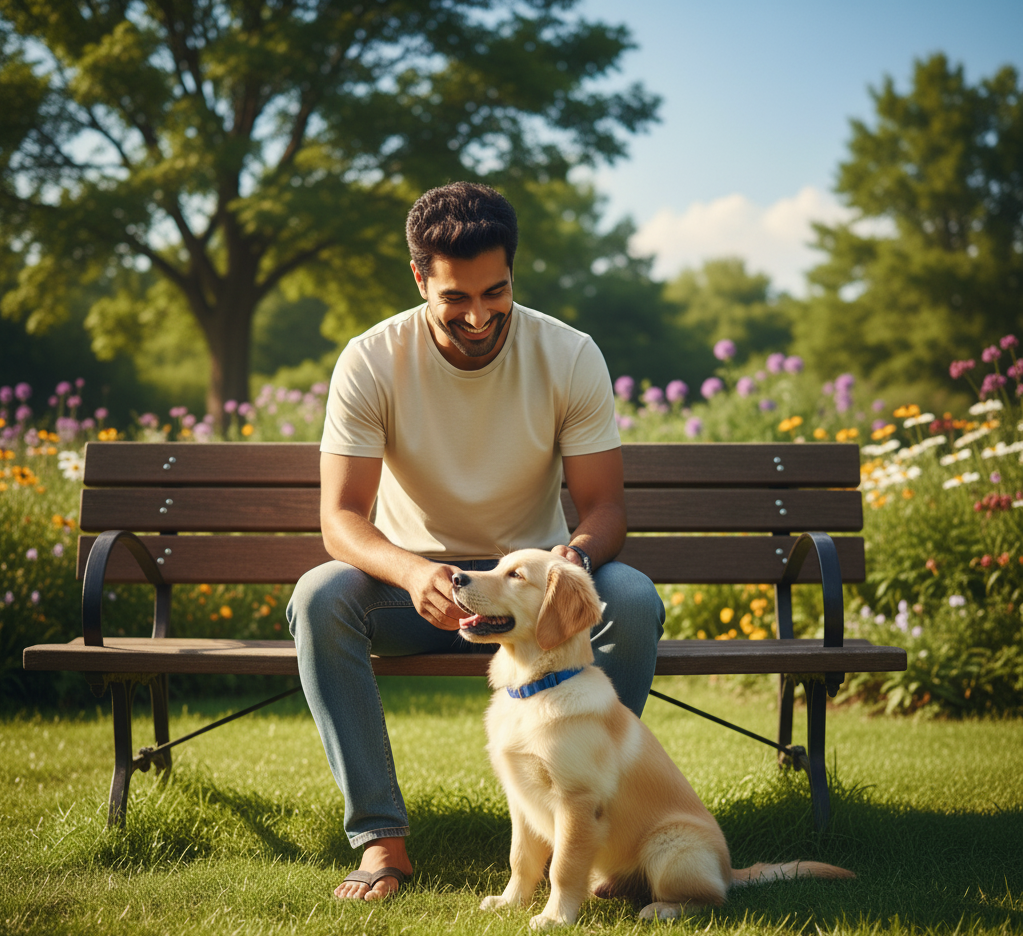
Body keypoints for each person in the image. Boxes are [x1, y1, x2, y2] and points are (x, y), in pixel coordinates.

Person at [287, 181, 665, 901]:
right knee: (319, 597)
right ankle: (381, 845)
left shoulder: (568, 354)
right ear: (419, 277)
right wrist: (408, 572)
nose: (479, 315)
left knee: (632, 598)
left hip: (530, 597)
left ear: (512, 274)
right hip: (413, 599)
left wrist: (571, 561)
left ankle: (588, 816)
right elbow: (340, 519)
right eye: (455, 298)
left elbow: (603, 508)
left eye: (496, 292)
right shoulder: (371, 359)